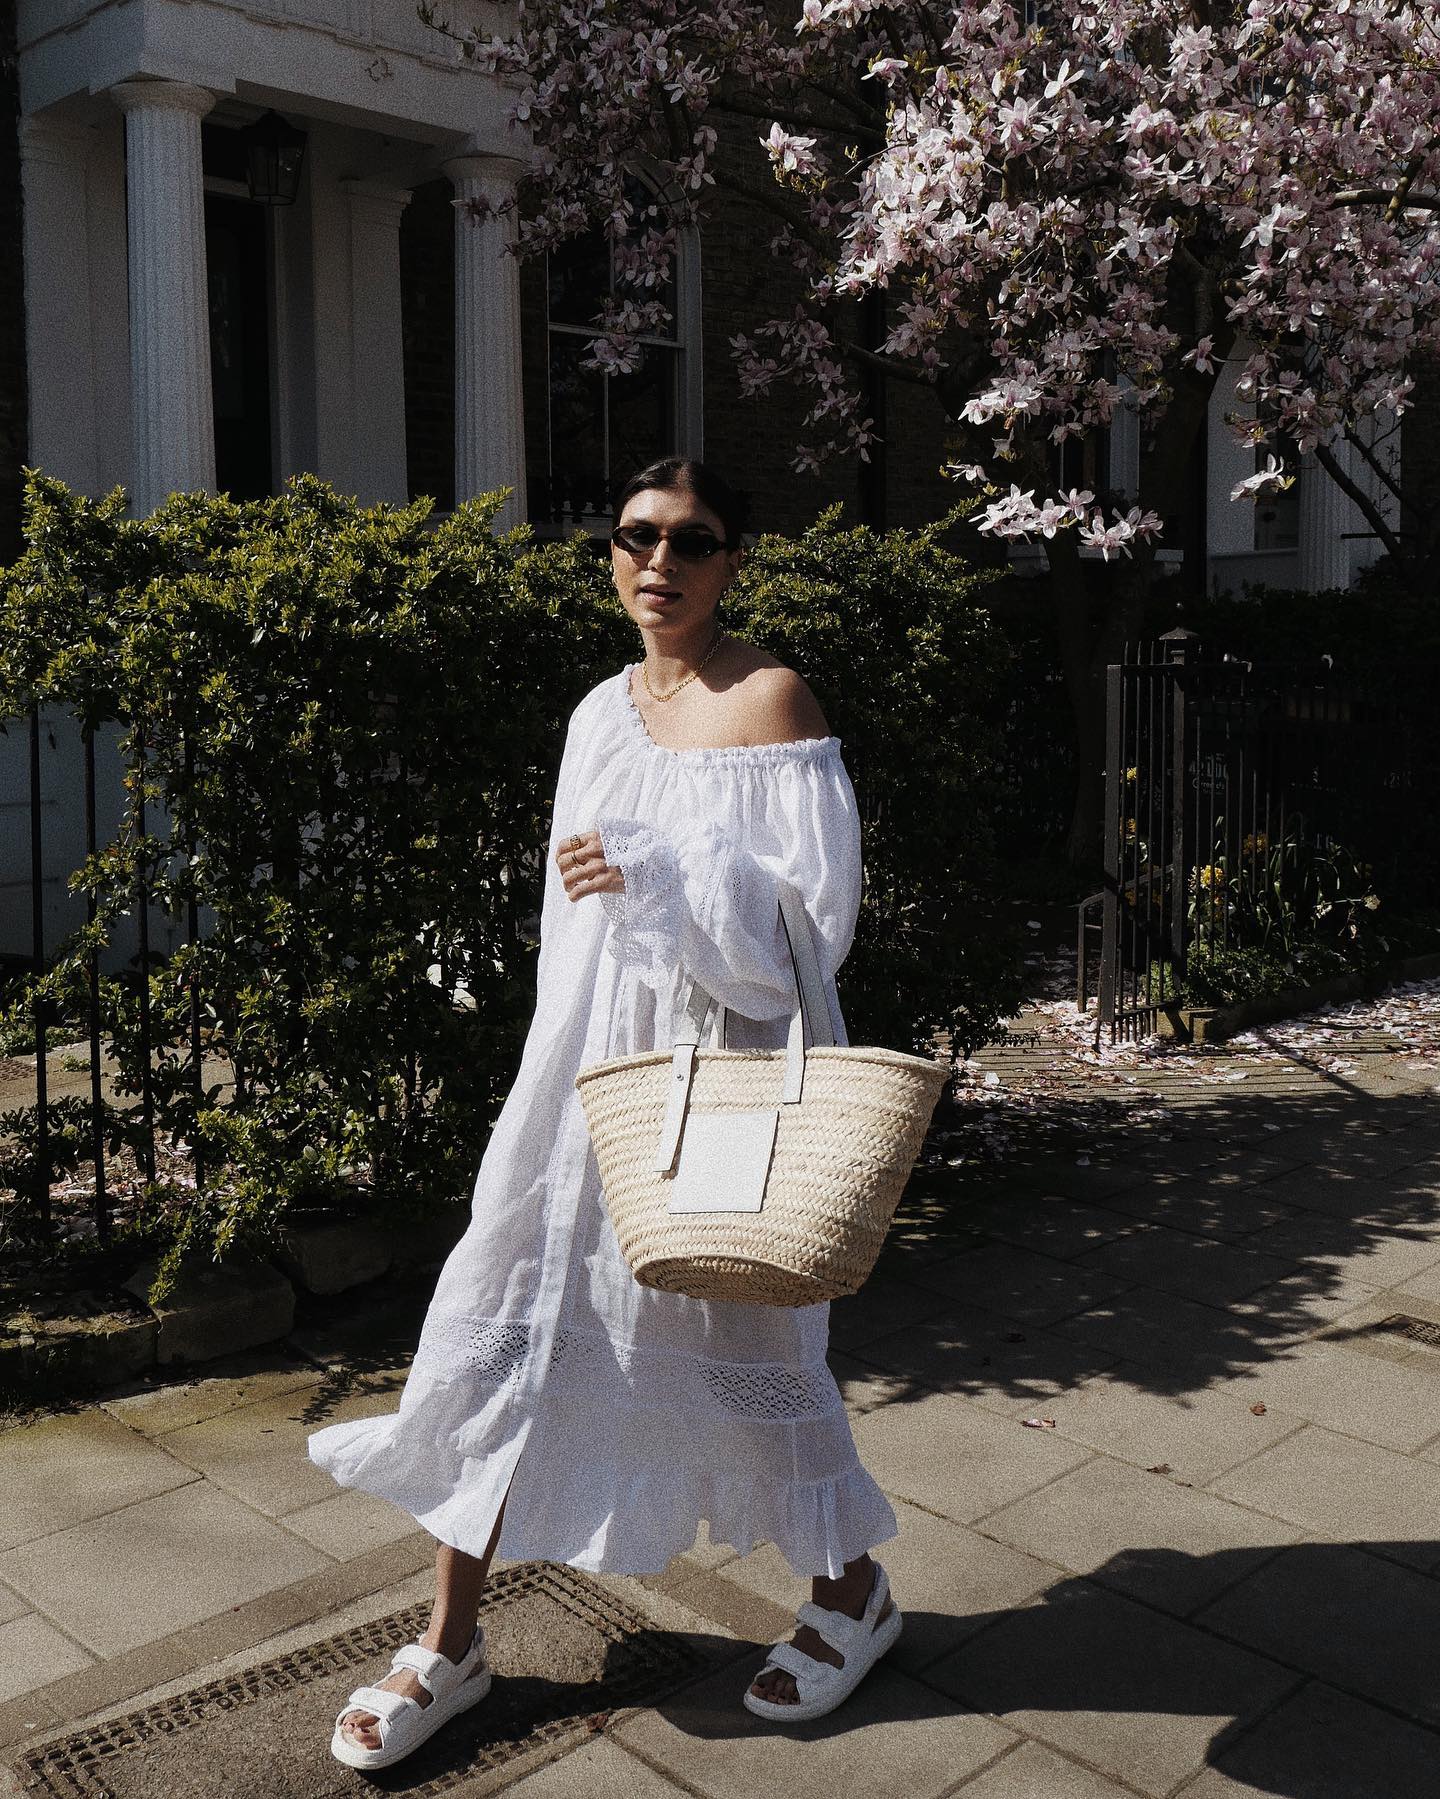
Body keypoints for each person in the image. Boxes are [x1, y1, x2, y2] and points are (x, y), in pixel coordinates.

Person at [309, 458, 900, 1771]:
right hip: (588, 1080)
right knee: (505, 1327)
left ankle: (854, 1592)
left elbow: (810, 937)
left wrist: (665, 870)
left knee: (748, 1343)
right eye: (637, 537)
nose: (660, 563)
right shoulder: (598, 713)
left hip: (719, 1080)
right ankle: (450, 1639)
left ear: (731, 560)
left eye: (692, 540)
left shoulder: (772, 700)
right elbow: (565, 927)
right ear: (612, 553)